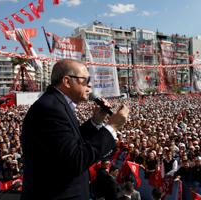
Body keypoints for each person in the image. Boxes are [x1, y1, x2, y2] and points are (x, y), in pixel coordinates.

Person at [21, 59, 129, 200]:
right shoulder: (50, 109)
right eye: (86, 79)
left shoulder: (56, 104)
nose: (90, 84)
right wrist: (112, 126)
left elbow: (68, 145)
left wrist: (95, 122)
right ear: (67, 81)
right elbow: (75, 161)